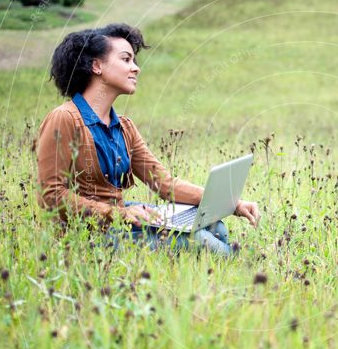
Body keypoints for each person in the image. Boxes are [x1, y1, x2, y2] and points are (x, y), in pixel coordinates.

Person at [35, 23, 259, 256]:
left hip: (119, 219)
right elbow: (50, 196)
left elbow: (164, 185)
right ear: (97, 65)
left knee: (217, 228)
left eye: (134, 61)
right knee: (205, 242)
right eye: (126, 59)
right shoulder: (64, 119)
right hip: (86, 234)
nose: (136, 68)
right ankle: (242, 271)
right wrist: (118, 214)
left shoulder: (124, 127)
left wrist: (233, 203)